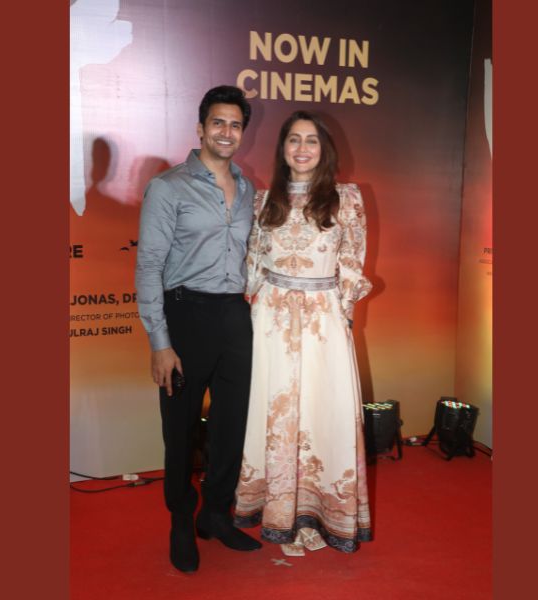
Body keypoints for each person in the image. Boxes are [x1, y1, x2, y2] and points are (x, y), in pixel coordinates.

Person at [233, 110, 373, 556]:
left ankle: (320, 511)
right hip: (271, 321)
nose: (302, 148)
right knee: (273, 411)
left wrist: (341, 316)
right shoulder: (263, 200)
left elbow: (352, 262)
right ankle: (277, 511)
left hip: (322, 320)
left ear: (324, 148)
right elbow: (253, 265)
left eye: (311, 140)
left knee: (323, 410)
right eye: (293, 139)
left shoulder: (346, 198)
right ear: (282, 148)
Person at [135, 85, 262, 573]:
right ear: (201, 128)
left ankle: (216, 514)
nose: (227, 132)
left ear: (242, 132)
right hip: (185, 315)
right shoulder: (168, 187)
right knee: (180, 428)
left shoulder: (248, 189)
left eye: (235, 125)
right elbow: (149, 267)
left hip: (235, 316)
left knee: (232, 425)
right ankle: (181, 520)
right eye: (218, 123)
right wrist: (160, 344)